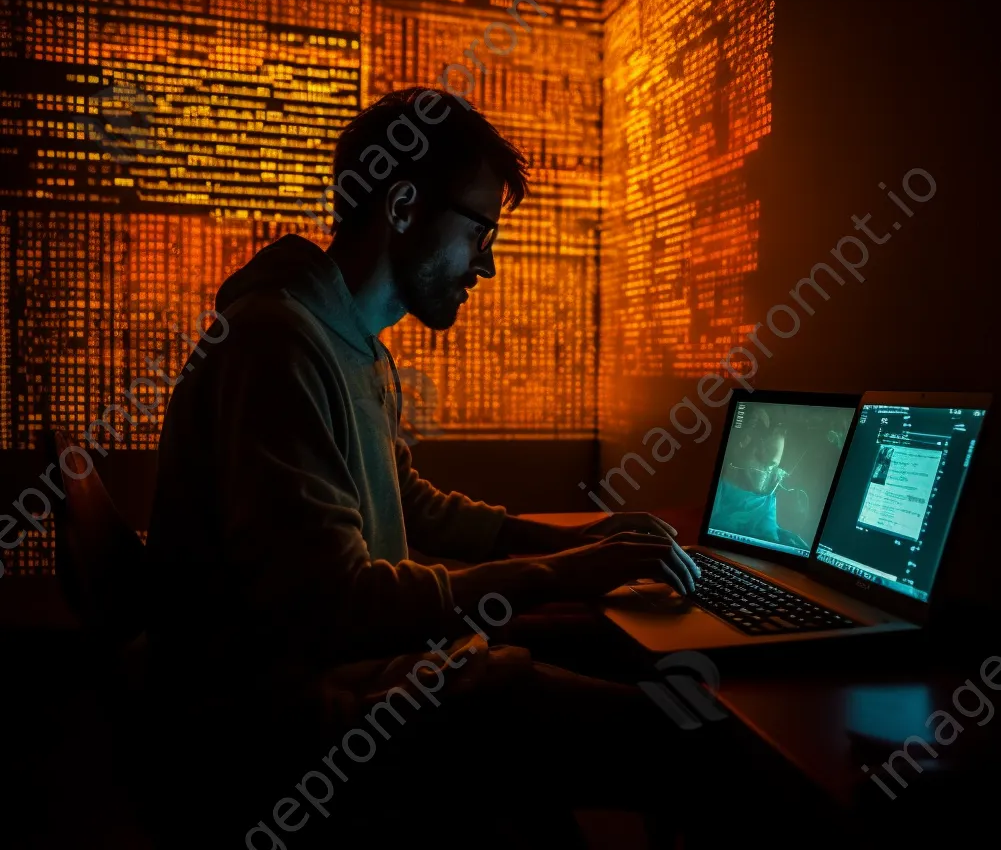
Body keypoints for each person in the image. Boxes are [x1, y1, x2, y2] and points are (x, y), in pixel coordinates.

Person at [142, 87, 712, 846]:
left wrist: (564, 544)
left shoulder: (345, 338)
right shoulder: (277, 345)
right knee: (683, 730)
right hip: (276, 723)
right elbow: (332, 602)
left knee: (619, 684)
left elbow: (404, 502)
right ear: (404, 205)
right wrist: (562, 574)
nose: (490, 264)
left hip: (330, 673)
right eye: (480, 231)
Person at [710, 408, 809, 550]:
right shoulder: (718, 484)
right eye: (760, 458)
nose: (764, 471)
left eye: (771, 465)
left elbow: (769, 538)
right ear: (745, 443)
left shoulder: (767, 500)